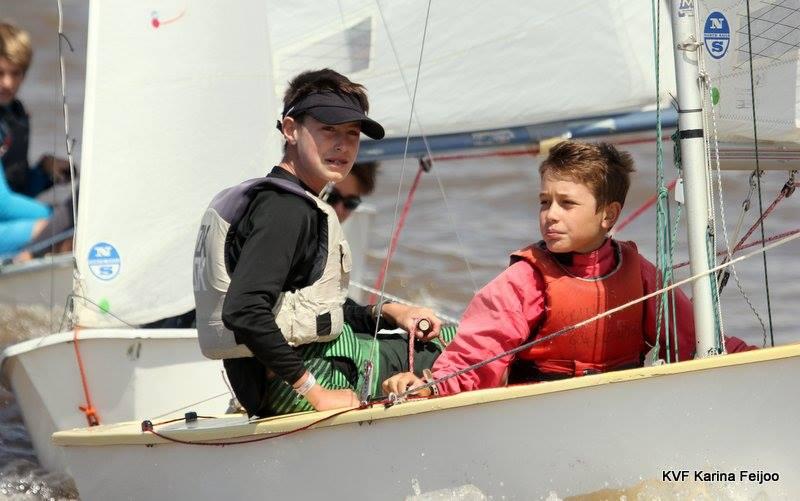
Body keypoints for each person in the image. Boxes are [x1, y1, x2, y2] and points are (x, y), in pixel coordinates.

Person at [383, 140, 755, 398]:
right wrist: (432, 387)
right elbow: (476, 357)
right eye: (545, 202)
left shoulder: (640, 274)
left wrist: (760, 361)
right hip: (539, 414)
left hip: (620, 410)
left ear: (608, 214)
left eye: (567, 203)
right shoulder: (524, 280)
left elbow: (696, 341)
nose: (551, 215)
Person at [194, 69, 453, 418]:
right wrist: (316, 394)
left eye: (352, 133)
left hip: (271, 382)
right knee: (463, 345)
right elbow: (243, 310)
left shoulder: (275, 199)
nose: (342, 145)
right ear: (290, 129)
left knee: (429, 341)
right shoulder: (287, 210)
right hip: (302, 381)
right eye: (329, 129)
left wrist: (389, 312)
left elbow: (306, 311)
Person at [0, 21, 74, 259]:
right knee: (56, 232)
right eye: (0, 73)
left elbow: (18, 191)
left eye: (15, 73)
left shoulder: (14, 115)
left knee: (61, 230)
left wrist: (43, 173)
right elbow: (3, 205)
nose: (8, 83)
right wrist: (58, 218)